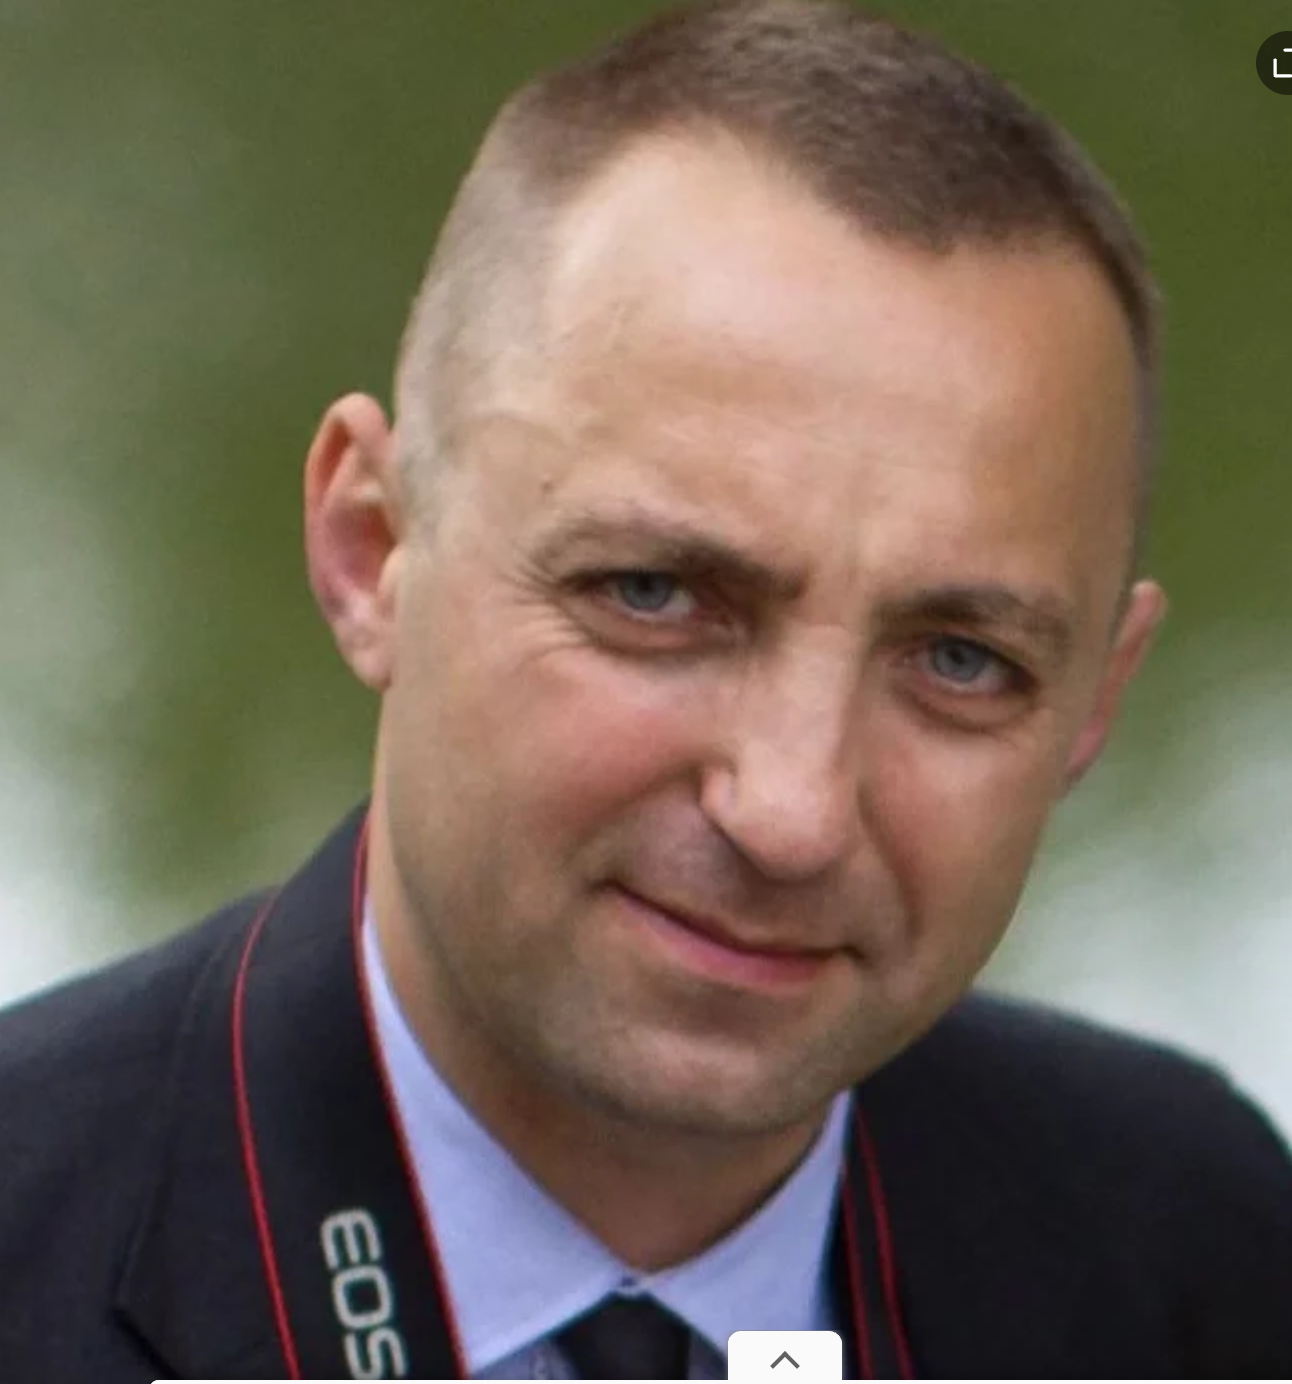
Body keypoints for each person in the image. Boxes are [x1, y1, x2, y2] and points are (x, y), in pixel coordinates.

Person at [2, 1, 1290, 1378]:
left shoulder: (1199, 1256)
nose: (791, 814)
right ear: (372, 552)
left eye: (961, 660)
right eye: (656, 594)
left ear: (1095, 701)